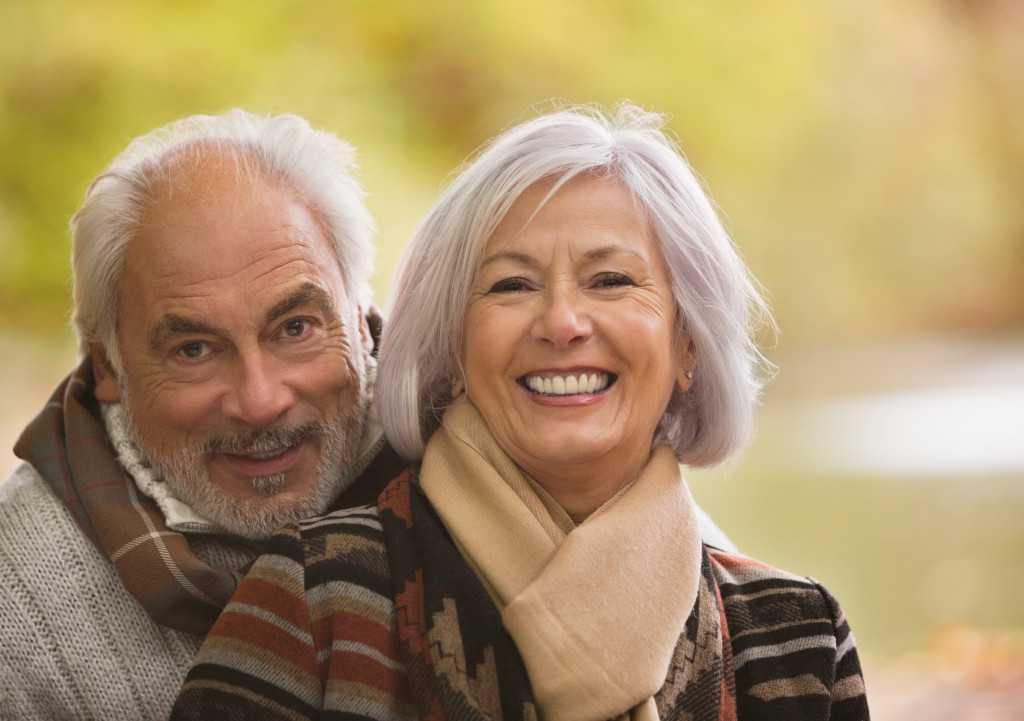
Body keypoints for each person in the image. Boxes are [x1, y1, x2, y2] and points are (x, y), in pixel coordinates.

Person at [173, 103, 869, 720]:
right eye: (512, 284)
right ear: (453, 345)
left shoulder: (794, 634)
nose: (562, 321)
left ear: (687, 342)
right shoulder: (314, 601)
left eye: (611, 279)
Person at [0, 109, 406, 720]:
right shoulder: (15, 608)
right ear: (107, 367)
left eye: (294, 327)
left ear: (359, 319)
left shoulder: (484, 457)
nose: (261, 400)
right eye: (193, 349)